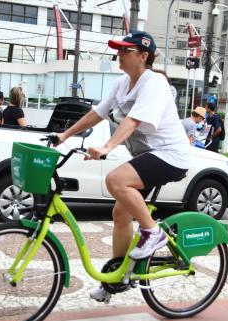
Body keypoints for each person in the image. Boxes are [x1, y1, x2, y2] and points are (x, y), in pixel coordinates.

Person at [55, 30, 189, 301]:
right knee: (120, 213)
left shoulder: (154, 83)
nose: (119, 54)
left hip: (170, 155)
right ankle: (117, 277)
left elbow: (134, 121)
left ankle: (153, 232)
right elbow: (97, 113)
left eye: (125, 50)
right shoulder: (121, 83)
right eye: (118, 49)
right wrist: (65, 134)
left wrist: (107, 148)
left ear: (143, 56)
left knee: (115, 181)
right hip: (149, 155)